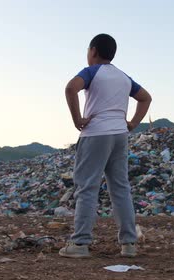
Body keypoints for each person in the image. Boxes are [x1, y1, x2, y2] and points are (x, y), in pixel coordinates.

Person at [59, 33, 152, 258]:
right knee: (120, 188)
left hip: (96, 134)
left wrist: (77, 120)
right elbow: (146, 98)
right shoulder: (123, 77)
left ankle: (80, 244)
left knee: (87, 187)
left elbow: (71, 88)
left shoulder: (91, 72)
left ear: (93, 51)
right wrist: (132, 124)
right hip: (120, 135)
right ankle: (129, 244)